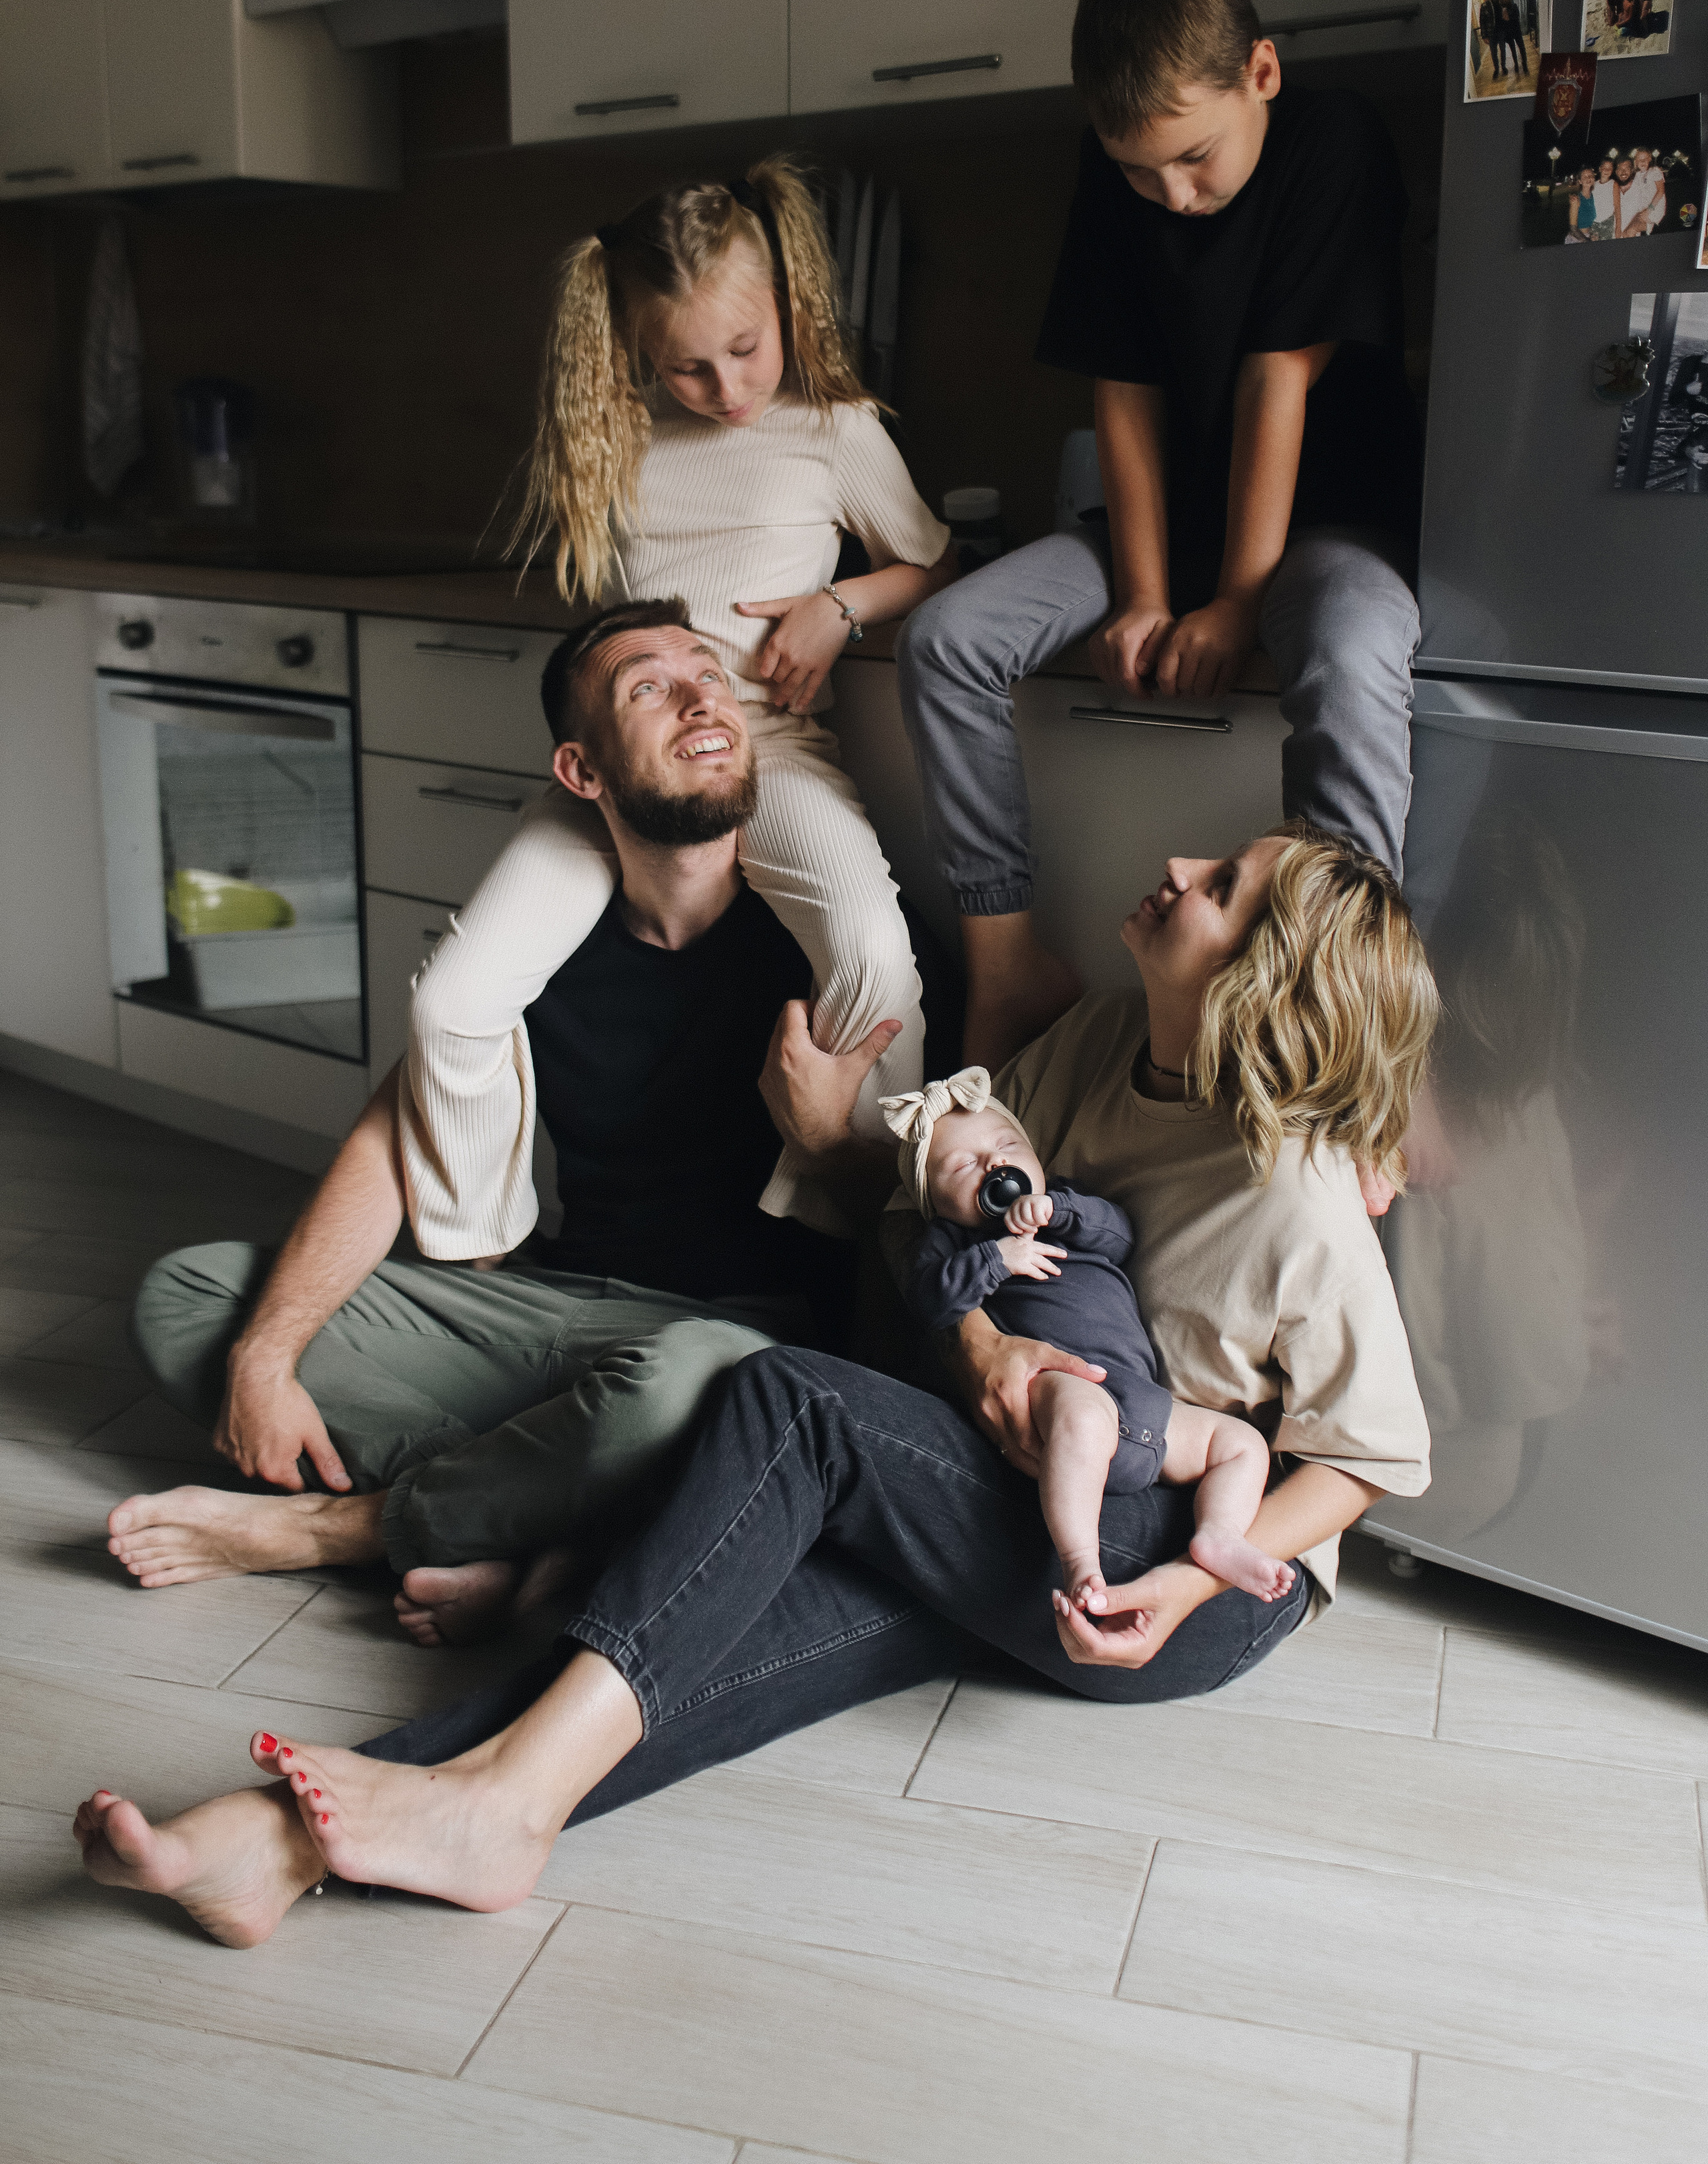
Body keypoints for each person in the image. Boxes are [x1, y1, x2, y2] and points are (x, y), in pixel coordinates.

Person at [74, 821, 1438, 1947]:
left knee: (789, 1405)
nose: (1180, 862)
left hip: (1175, 1566)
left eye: (1221, 891)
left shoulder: (1292, 1190)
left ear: (1261, 987)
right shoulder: (1087, 1047)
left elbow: (1366, 1460)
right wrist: (976, 1349)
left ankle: (497, 1780)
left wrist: (1189, 1585)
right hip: (1022, 1496)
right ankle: (283, 1848)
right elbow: (925, 1214)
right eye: (1208, 856)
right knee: (697, 1628)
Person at [107, 603, 911, 1651]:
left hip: (729, 1339)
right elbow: (386, 1147)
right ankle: (552, 1511)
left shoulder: (831, 961)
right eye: (648, 687)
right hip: (544, 1307)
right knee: (191, 1301)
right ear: (582, 774)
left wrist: (826, 1141)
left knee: (683, 1389)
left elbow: (902, 1227)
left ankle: (347, 1528)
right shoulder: (526, 957)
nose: (701, 695)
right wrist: (266, 1358)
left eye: (706, 673)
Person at [406, 157, 953, 1247]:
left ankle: (851, 1234)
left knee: (873, 955)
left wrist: (840, 607)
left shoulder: (833, 426)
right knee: (451, 1004)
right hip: (626, 771)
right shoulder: (617, 441)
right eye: (688, 368)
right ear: (642, 355)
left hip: (770, 754)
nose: (728, 388)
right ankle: (482, 1260)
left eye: (746, 350)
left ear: (787, 311)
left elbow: (930, 564)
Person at [897, 0, 1424, 1070]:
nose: (1171, 197)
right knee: (945, 640)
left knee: (1352, 648)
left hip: (1328, 522)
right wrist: (1141, 596)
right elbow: (1123, 393)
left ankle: (1355, 1027)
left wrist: (1234, 607)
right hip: (1173, 527)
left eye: (1192, 159)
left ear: (1263, 76)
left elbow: (1275, 381)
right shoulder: (1116, 174)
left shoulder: (1336, 142)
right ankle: (1008, 971)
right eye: (1140, 172)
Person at [880, 1068, 1292, 1618]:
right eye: (962, 1165)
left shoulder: (1063, 1212)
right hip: (1062, 1385)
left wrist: (1061, 1211)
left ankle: (1218, 1535)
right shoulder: (952, 1242)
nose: (993, 1165)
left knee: (1242, 1444)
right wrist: (997, 1258)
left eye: (1006, 1147)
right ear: (932, 1199)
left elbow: (1121, 1234)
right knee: (1083, 1420)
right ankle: (1081, 1561)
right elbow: (931, 1300)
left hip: (1144, 1402)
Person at [1497, 0, 1529, 79]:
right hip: (1508, 33)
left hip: (1517, 31)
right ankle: (1516, 64)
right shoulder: (1502, 10)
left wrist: (1508, 16)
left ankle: (1525, 65)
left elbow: (1516, 17)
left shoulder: (1514, 6)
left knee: (1522, 48)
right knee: (1513, 50)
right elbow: (1502, 21)